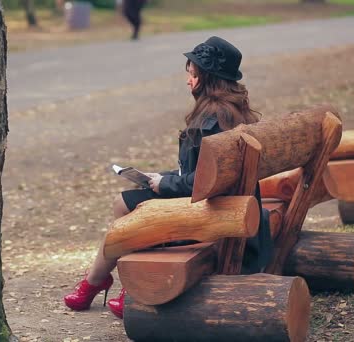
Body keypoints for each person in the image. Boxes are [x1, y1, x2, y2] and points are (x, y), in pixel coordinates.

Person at [63, 36, 272, 319]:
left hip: (217, 211)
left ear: (207, 79)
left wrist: (164, 184)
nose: (188, 81)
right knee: (127, 203)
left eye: (193, 74)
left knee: (125, 205)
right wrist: (162, 177)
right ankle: (104, 281)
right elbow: (203, 172)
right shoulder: (229, 113)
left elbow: (205, 182)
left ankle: (105, 281)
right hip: (227, 204)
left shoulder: (212, 122)